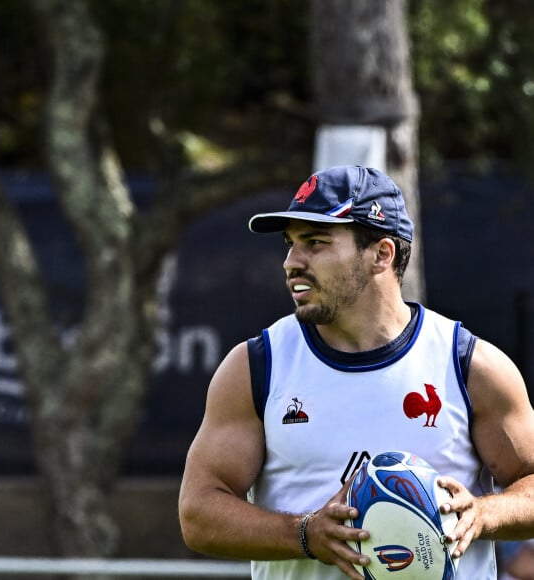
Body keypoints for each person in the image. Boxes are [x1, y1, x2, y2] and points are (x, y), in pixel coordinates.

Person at [178, 165, 534, 579]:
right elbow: (198, 513)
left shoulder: (468, 364)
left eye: (315, 242)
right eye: (290, 243)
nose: (291, 262)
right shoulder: (258, 366)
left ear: (381, 254)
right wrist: (305, 534)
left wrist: (483, 514)